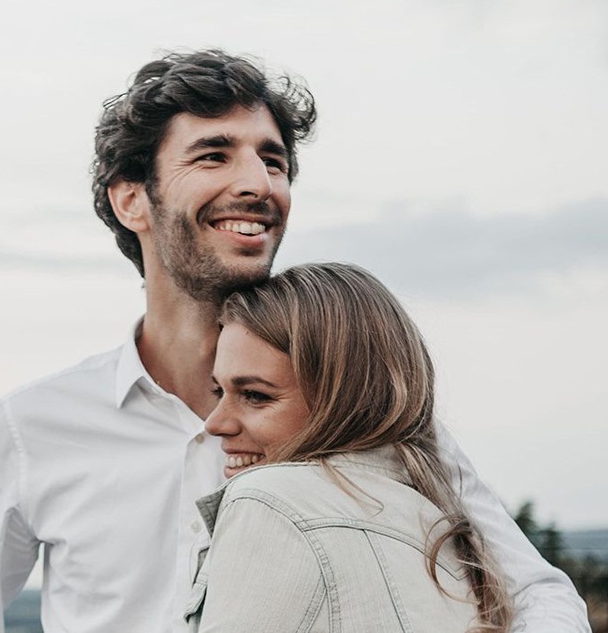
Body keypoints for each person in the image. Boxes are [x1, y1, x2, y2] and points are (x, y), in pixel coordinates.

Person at [0, 50, 589, 632]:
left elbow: (538, 594)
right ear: (131, 198)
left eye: (275, 161)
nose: (258, 183)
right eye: (214, 154)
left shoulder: (355, 401)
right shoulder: (36, 424)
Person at [190, 262, 512, 632]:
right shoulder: (442, 526)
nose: (215, 423)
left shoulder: (269, 501)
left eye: (256, 396)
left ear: (344, 399)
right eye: (219, 391)